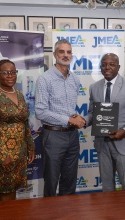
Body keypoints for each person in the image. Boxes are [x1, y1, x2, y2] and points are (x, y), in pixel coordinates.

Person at [87, 53, 125, 191]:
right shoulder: (94, 87)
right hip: (102, 144)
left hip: (123, 143)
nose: (107, 67)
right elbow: (92, 113)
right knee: (107, 187)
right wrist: (82, 121)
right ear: (100, 67)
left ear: (118, 67)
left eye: (111, 64)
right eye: (104, 64)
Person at [35, 39, 85, 197]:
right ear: (55, 54)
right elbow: (40, 112)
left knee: (70, 180)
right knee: (51, 181)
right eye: (62, 52)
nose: (66, 55)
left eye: (69, 52)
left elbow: (68, 108)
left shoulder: (75, 79)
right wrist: (70, 119)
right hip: (53, 136)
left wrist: (76, 116)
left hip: (72, 136)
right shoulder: (45, 79)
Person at [0, 59, 35, 201]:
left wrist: (30, 146)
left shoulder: (19, 95)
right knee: (4, 191)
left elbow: (25, 123)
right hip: (1, 153)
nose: (10, 76)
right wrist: (2, 155)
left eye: (13, 72)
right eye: (5, 73)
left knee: (14, 188)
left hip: (20, 150)